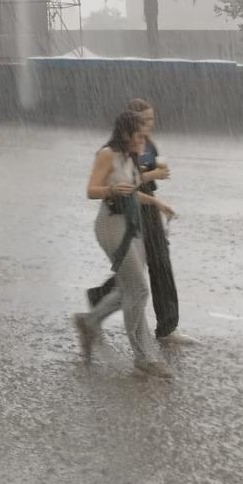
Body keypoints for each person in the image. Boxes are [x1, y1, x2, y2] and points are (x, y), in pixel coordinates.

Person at [73, 110, 175, 378]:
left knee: (126, 288)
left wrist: (157, 203)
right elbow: (90, 190)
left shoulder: (131, 156)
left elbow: (133, 190)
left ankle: (89, 321)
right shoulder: (106, 154)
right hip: (110, 224)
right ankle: (143, 356)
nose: (144, 142)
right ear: (126, 133)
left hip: (130, 225)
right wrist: (110, 190)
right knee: (139, 290)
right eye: (140, 136)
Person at [86, 98, 182, 342]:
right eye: (146, 120)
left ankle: (162, 327)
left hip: (144, 204)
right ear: (131, 124)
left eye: (152, 119)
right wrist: (149, 176)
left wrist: (158, 203)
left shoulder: (144, 144)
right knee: (139, 277)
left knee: (147, 268)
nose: (150, 125)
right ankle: (149, 342)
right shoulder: (116, 151)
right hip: (124, 213)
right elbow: (119, 182)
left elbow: (135, 181)